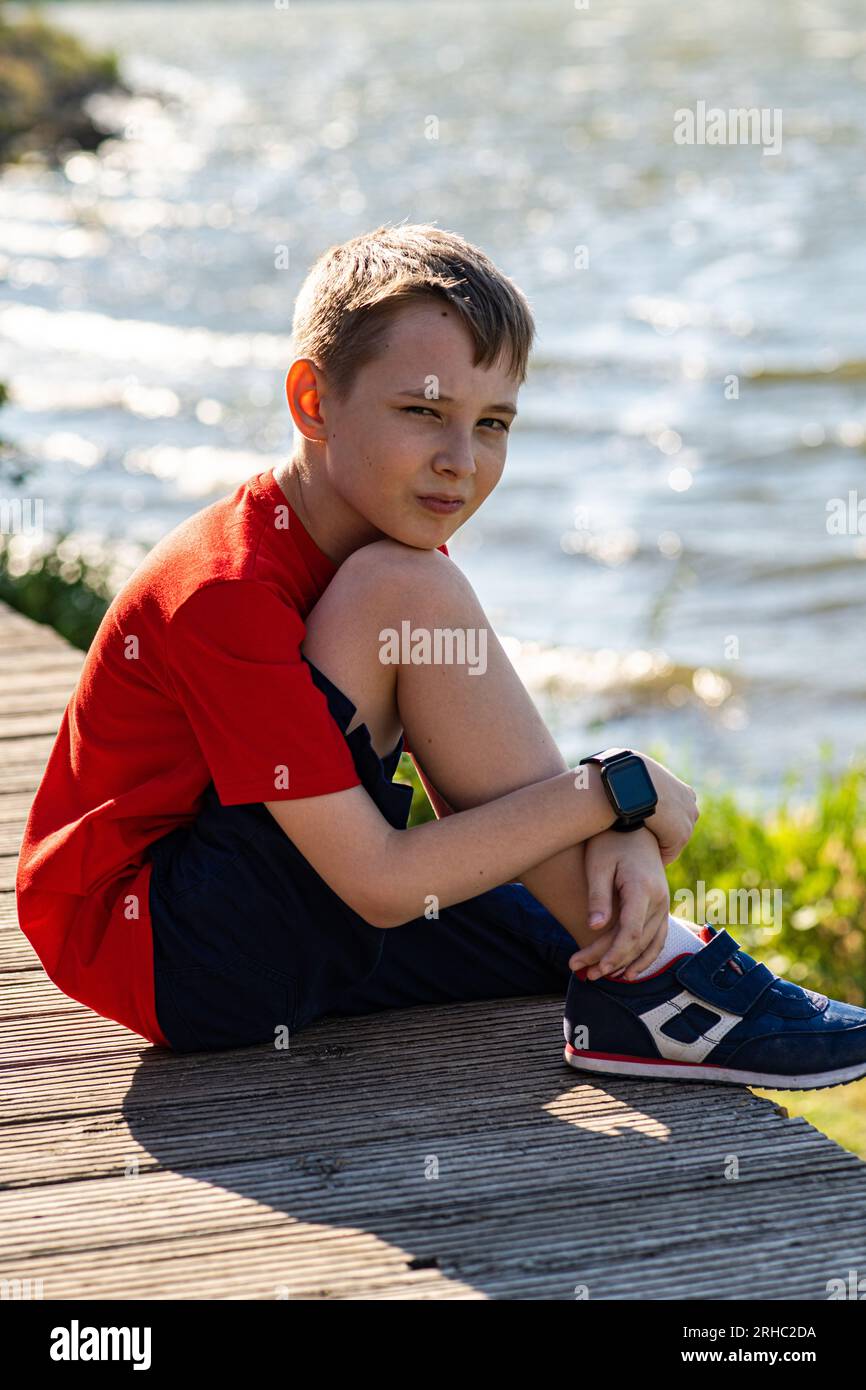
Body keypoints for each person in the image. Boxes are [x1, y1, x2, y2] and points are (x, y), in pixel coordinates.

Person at [16, 222, 866, 1090]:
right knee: (406, 594)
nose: (461, 462)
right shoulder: (243, 589)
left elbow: (482, 785)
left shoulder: (385, 536)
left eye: (492, 423)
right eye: (424, 411)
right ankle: (667, 994)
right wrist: (616, 787)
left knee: (571, 937)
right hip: (170, 947)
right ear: (313, 402)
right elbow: (384, 884)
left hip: (297, 871)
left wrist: (615, 824)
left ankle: (643, 986)